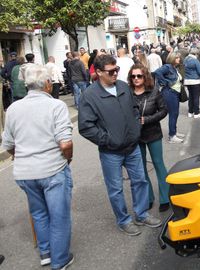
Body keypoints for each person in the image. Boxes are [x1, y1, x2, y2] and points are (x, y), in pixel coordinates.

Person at [78, 54, 161, 236]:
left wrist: (135, 131)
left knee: (140, 181)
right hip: (111, 152)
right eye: (111, 71)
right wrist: (107, 139)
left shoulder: (123, 87)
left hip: (132, 147)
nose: (115, 74)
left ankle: (141, 214)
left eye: (117, 70)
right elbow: (85, 127)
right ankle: (123, 220)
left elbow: (133, 110)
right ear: (98, 72)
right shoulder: (89, 96)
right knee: (115, 189)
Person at [1, 65, 75, 270]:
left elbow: (8, 145)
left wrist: (22, 159)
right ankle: (60, 260)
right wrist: (67, 160)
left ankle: (46, 253)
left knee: (39, 213)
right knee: (58, 216)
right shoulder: (56, 106)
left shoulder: (14, 108)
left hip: (25, 173)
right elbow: (66, 143)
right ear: (48, 84)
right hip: (52, 169)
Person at [128, 64, 170, 212]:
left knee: (159, 164)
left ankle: (165, 198)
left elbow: (164, 110)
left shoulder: (153, 92)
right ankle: (148, 198)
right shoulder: (127, 93)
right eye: (133, 76)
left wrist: (148, 119)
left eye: (139, 76)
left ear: (145, 76)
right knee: (141, 169)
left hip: (153, 133)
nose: (136, 79)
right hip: (136, 136)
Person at [154, 52, 185, 144]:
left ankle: (174, 132)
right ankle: (172, 136)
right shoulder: (167, 67)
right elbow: (157, 72)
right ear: (172, 59)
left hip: (174, 93)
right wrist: (166, 82)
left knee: (175, 114)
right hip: (169, 93)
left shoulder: (174, 68)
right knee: (173, 114)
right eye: (176, 58)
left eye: (179, 58)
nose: (179, 59)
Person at [183, 48, 200, 119]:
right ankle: (196, 113)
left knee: (191, 97)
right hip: (195, 80)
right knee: (196, 97)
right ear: (195, 54)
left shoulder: (185, 59)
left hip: (187, 80)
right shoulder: (195, 61)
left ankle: (190, 111)